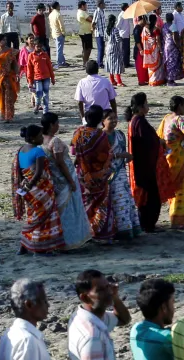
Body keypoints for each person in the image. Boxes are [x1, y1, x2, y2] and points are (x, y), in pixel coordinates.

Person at [39, 113, 91, 249]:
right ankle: (69, 241)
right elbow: (60, 162)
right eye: (57, 123)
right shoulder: (54, 141)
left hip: (53, 180)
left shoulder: (40, 140)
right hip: (63, 179)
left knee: (59, 211)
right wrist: (71, 181)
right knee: (69, 211)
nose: (58, 126)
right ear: (51, 125)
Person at [11, 125, 64, 254]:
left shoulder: (21, 150)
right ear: (33, 138)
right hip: (41, 189)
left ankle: (24, 245)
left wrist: (27, 185)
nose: (42, 138)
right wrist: (32, 184)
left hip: (28, 189)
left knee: (32, 216)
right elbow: (39, 172)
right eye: (40, 136)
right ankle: (42, 247)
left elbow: (23, 172)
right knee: (45, 218)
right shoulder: (38, 151)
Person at [125, 93, 171, 234]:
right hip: (145, 166)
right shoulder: (139, 122)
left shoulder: (137, 120)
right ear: (140, 107)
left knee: (149, 196)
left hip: (143, 165)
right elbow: (149, 142)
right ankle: (147, 225)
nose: (148, 106)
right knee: (150, 197)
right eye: (146, 103)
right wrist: (160, 142)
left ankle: (148, 224)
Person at [71, 106, 115, 240]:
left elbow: (74, 152)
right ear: (100, 119)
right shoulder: (101, 135)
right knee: (101, 204)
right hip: (99, 176)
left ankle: (85, 231)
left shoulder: (78, 132)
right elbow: (106, 155)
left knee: (85, 202)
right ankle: (101, 232)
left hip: (83, 174)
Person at [156, 96, 184, 228]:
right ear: (180, 106)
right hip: (180, 158)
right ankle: (180, 219)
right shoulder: (178, 119)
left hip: (169, 157)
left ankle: (175, 217)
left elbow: (160, 136)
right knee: (183, 188)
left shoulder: (166, 118)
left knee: (174, 187)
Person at [103, 110, 142, 240]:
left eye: (115, 118)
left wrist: (126, 157)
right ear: (103, 121)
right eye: (110, 118)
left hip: (121, 173)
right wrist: (118, 155)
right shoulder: (101, 137)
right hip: (107, 174)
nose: (114, 121)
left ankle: (128, 229)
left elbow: (124, 151)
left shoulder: (119, 134)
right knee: (113, 202)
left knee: (125, 200)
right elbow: (100, 156)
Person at [26, 38, 53, 115]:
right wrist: (30, 81)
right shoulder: (31, 56)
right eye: (37, 46)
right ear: (34, 46)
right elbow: (29, 69)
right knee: (39, 92)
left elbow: (50, 67)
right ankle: (37, 104)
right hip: (37, 78)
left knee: (46, 93)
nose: (39, 48)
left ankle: (46, 110)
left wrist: (53, 77)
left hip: (46, 77)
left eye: (40, 46)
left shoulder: (45, 55)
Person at [0, 33, 19, 123]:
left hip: (8, 77)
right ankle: (2, 114)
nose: (5, 41)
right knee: (0, 97)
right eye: (3, 40)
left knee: (9, 97)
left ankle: (8, 116)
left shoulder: (10, 51)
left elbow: (15, 64)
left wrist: (17, 74)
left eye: (5, 40)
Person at [142, 15, 165, 86]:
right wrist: (161, 50)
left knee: (151, 66)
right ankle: (157, 80)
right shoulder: (156, 29)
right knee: (157, 65)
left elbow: (143, 39)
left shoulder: (145, 29)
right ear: (155, 21)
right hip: (155, 49)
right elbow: (158, 40)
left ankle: (151, 81)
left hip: (148, 50)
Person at [161, 13, 183, 86]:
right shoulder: (173, 26)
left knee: (167, 62)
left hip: (166, 45)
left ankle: (167, 78)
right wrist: (179, 46)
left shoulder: (164, 26)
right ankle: (171, 80)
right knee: (172, 63)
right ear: (172, 18)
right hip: (172, 46)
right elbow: (175, 38)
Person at [104, 15, 125, 86]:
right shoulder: (115, 30)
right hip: (115, 48)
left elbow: (105, 39)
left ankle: (112, 80)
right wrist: (121, 38)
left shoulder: (106, 29)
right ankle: (119, 81)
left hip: (108, 48)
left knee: (110, 65)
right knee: (117, 65)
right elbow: (118, 40)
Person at [48, 2, 66, 67]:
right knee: (59, 49)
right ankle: (59, 62)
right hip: (59, 33)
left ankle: (63, 61)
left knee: (59, 48)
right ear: (57, 6)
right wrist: (63, 32)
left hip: (54, 33)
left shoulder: (50, 14)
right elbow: (61, 25)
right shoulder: (58, 14)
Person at [76, 1, 93, 67]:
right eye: (86, 5)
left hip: (85, 32)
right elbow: (91, 19)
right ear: (82, 6)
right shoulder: (82, 12)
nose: (86, 7)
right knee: (87, 48)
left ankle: (85, 61)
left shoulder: (81, 12)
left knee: (86, 48)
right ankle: (85, 62)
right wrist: (92, 17)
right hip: (85, 32)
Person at [117, 5, 132, 69]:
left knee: (127, 50)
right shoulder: (121, 15)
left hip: (127, 34)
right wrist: (121, 31)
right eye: (127, 7)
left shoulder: (126, 14)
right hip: (123, 35)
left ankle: (127, 62)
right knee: (124, 50)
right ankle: (124, 63)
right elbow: (118, 25)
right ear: (125, 8)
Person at [92, 0, 106, 67]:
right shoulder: (97, 12)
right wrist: (93, 31)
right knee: (100, 49)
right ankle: (99, 63)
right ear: (100, 4)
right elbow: (93, 23)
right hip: (99, 33)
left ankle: (100, 62)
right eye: (103, 3)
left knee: (102, 48)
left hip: (103, 33)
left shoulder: (102, 11)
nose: (105, 5)